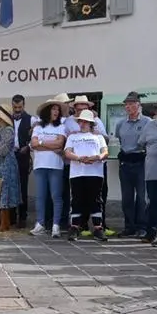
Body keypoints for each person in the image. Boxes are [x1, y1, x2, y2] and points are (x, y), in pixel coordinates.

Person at [63, 95, 109, 233]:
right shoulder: (72, 136)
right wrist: (79, 158)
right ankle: (75, 227)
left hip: (95, 173)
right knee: (76, 200)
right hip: (77, 173)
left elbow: (105, 152)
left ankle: (98, 227)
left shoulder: (98, 137)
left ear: (90, 123)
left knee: (95, 200)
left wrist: (97, 157)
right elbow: (67, 152)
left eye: (85, 121)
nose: (82, 123)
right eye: (80, 121)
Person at [30, 96, 68, 238]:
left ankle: (55, 225)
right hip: (40, 165)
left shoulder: (61, 127)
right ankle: (40, 224)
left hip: (56, 166)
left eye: (58, 109)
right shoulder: (38, 127)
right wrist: (50, 144)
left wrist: (41, 142)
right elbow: (33, 145)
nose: (56, 112)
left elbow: (60, 144)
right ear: (47, 111)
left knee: (56, 196)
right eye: (53, 109)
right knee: (40, 196)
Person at [115, 91, 151, 238]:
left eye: (131, 104)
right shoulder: (121, 123)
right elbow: (118, 140)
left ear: (138, 105)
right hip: (125, 162)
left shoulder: (147, 122)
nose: (128, 107)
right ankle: (129, 226)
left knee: (142, 197)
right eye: (126, 104)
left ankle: (142, 226)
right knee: (127, 197)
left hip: (141, 162)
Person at [138, 97, 157, 243]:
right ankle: (151, 232)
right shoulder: (149, 126)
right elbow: (142, 144)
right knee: (154, 202)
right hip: (152, 172)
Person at [0, 105, 21, 232]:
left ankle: (4, 222)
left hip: (6, 163)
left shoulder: (9, 130)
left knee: (4, 189)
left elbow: (4, 148)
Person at [11, 94, 33, 228]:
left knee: (22, 187)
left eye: (19, 107)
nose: (17, 109)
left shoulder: (31, 119)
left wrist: (28, 146)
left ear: (24, 106)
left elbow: (35, 136)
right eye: (15, 107)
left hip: (23, 156)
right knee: (11, 186)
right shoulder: (7, 119)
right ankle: (12, 216)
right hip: (10, 156)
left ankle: (23, 217)